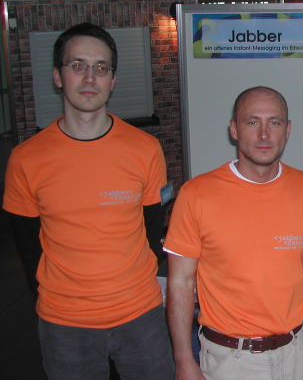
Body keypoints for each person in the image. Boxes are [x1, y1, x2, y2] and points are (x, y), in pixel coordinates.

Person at [3, 23, 175, 380]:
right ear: (57, 76)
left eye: (101, 67)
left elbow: (151, 229)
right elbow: (27, 244)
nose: (90, 77)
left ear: (112, 80)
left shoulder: (144, 150)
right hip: (65, 325)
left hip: (141, 317)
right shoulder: (26, 159)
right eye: (77, 65)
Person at [164, 86, 303, 380]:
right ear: (234, 129)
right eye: (252, 122)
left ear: (288, 130)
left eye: (274, 122)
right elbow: (180, 282)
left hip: (296, 354)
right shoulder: (196, 195)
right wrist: (183, 360)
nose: (264, 134)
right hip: (229, 361)